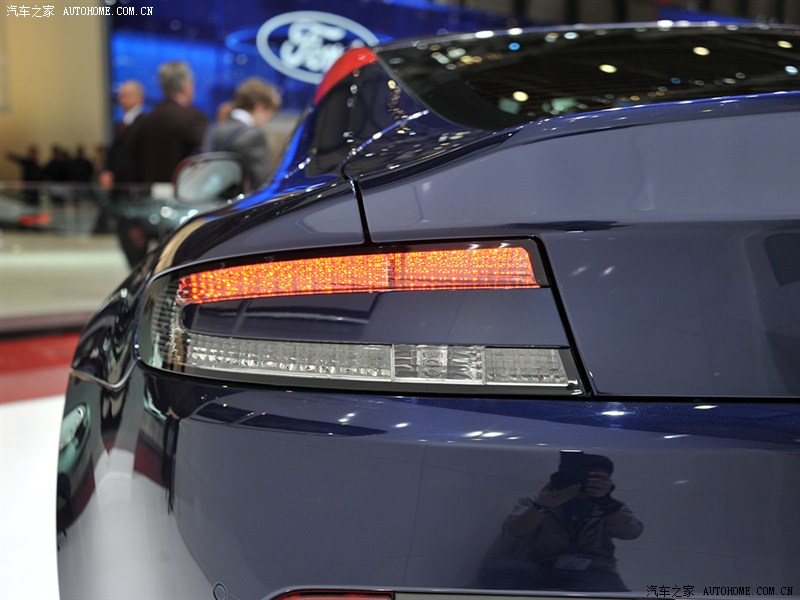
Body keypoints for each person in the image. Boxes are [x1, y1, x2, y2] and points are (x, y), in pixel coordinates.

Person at [478, 453, 643, 592]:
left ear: (608, 482)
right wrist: (541, 506)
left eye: (593, 479)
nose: (584, 484)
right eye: (580, 477)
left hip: (595, 572)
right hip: (542, 568)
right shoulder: (538, 500)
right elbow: (515, 532)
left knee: (611, 590)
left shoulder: (611, 506)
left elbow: (631, 533)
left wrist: (605, 502)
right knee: (501, 570)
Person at [129, 61, 207, 184]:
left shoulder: (146, 120)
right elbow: (204, 159)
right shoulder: (193, 117)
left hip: (150, 191)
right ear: (186, 85)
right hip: (184, 190)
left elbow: (135, 162)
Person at [204, 77, 281, 191]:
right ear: (259, 107)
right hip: (239, 201)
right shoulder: (253, 136)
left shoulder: (215, 129)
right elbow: (262, 184)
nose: (266, 123)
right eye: (269, 116)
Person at [99, 80, 145, 189]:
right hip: (118, 184)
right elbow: (114, 152)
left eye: (127, 96)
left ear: (140, 97)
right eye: (121, 96)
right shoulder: (120, 124)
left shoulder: (145, 123)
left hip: (135, 184)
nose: (122, 99)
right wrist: (107, 170)